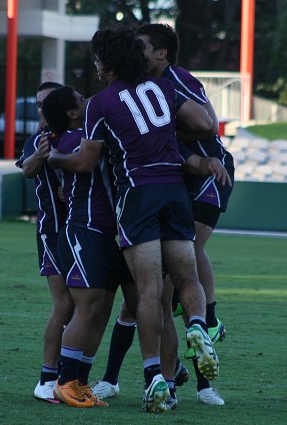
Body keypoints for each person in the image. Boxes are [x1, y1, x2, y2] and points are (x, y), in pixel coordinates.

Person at [47, 27, 220, 414]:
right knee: (185, 279)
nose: (94, 66)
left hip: (138, 196)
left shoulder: (99, 103)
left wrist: (53, 159)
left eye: (96, 60)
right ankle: (196, 322)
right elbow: (204, 122)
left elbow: (86, 160)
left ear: (107, 63)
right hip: (175, 192)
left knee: (145, 293)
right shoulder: (164, 89)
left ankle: (154, 375)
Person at [136, 23, 235, 405]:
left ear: (160, 54)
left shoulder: (178, 80)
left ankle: (209, 318)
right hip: (176, 174)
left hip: (210, 169)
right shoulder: (141, 84)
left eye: (142, 47)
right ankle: (170, 376)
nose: (137, 52)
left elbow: (207, 123)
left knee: (188, 254)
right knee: (161, 293)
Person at [41, 85, 135, 408]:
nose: (87, 101)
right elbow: (81, 160)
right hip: (84, 230)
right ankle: (63, 382)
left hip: (108, 235)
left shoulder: (83, 134)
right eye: (81, 100)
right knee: (87, 309)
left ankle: (80, 383)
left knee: (100, 313)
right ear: (71, 113)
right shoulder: (72, 140)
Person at [15, 81, 74, 403]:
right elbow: (26, 170)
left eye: (46, 102)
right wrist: (40, 156)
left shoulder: (82, 134)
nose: (41, 109)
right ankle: (47, 379)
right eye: (38, 104)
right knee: (65, 305)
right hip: (52, 229)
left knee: (90, 306)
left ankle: (72, 378)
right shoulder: (37, 141)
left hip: (85, 229)